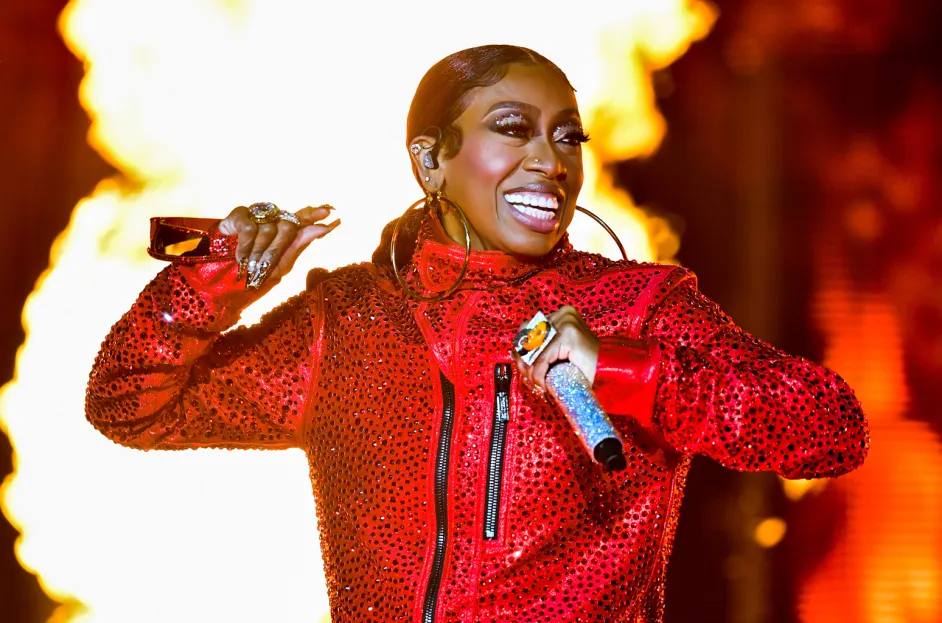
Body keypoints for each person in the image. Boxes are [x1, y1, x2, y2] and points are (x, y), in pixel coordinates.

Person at [86, 44, 869, 622]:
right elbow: (128, 404)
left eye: (567, 137)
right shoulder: (348, 322)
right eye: (513, 129)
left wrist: (629, 371)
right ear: (430, 161)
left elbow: (828, 430)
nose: (550, 161)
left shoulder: (637, 305)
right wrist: (218, 272)